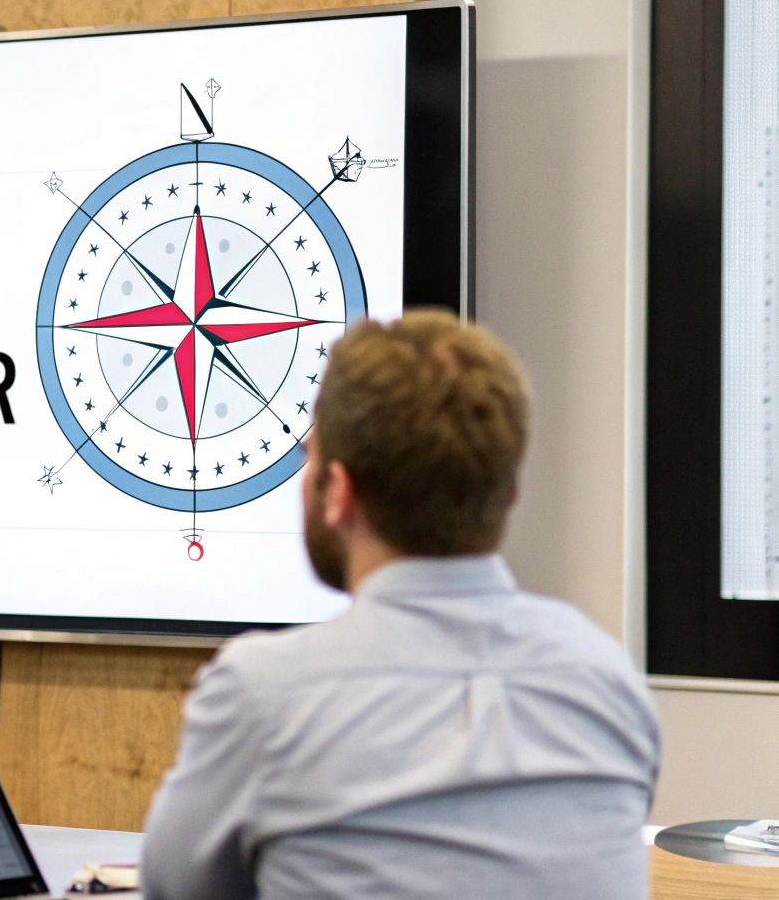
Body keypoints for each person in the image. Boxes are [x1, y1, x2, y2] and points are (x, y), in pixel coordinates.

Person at [140, 311, 661, 900]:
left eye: (309, 457)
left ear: (338, 491)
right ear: (509, 495)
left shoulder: (263, 695)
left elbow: (174, 890)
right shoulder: (608, 680)